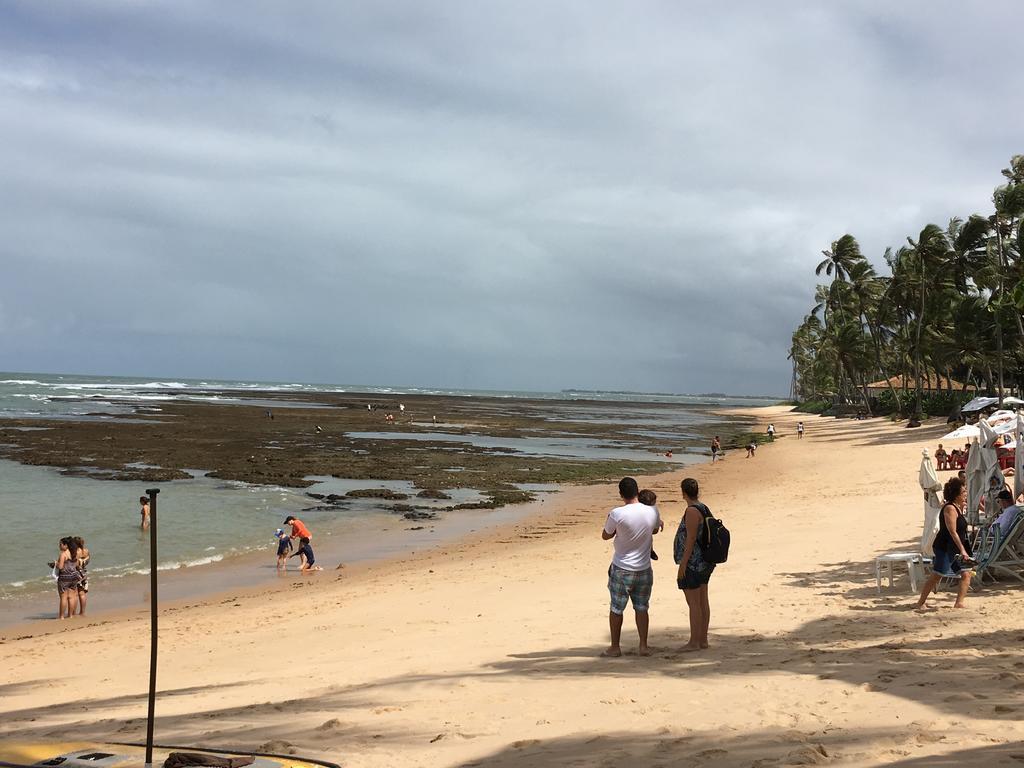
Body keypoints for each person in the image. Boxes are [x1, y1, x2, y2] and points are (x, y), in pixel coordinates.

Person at [601, 477, 660, 657]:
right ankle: (643, 645)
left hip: (622, 567)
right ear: (637, 491)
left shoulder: (617, 513)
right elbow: (655, 529)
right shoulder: (652, 511)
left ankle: (615, 647)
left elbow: (605, 535)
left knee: (616, 609)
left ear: (621, 494)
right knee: (642, 607)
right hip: (643, 567)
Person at [917, 476, 975, 610]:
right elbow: (952, 531)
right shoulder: (950, 508)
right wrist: (962, 550)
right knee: (938, 574)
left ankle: (959, 603)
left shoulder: (959, 507)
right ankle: (920, 602)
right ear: (956, 495)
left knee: (966, 573)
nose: (966, 494)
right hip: (945, 547)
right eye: (963, 492)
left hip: (956, 547)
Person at [675, 477, 715, 651]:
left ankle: (694, 642)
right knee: (702, 600)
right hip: (705, 561)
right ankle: (703, 640)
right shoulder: (703, 507)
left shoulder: (692, 511)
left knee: (694, 603)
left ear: (684, 492)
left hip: (694, 562)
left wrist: (683, 564)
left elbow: (691, 538)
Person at [54, 537, 81, 620]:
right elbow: (76, 565)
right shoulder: (75, 553)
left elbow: (61, 567)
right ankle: (70, 615)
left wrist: (56, 563)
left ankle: (61, 616)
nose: (59, 546)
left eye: (61, 544)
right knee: (71, 597)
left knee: (63, 597)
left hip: (64, 578)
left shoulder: (63, 554)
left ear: (66, 545)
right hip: (73, 577)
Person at [637, 489, 665, 561]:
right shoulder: (653, 510)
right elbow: (655, 531)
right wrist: (658, 523)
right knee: (648, 537)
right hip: (645, 532)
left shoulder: (636, 508)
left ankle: (651, 550)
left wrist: (659, 521)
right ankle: (650, 550)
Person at [74, 536, 90, 615]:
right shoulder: (86, 551)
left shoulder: (77, 551)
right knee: (82, 593)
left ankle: (73, 612)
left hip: (77, 573)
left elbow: (76, 564)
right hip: (84, 572)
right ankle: (82, 612)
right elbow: (87, 561)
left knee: (75, 594)